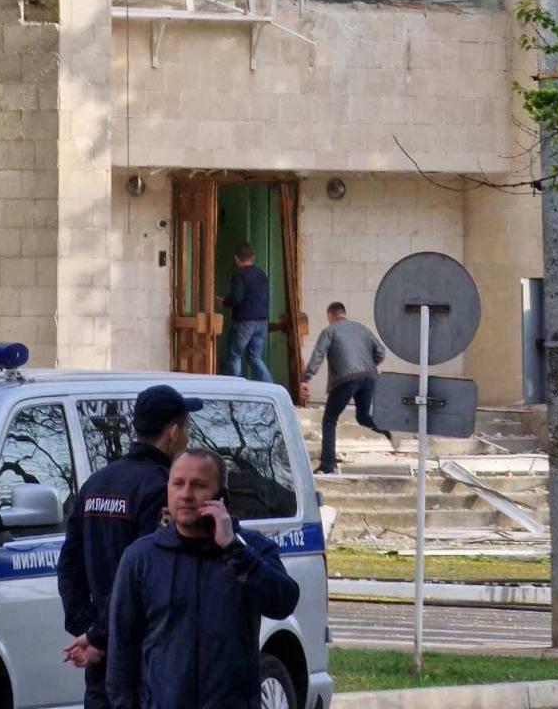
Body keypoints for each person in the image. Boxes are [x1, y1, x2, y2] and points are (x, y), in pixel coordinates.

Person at [106, 449, 299, 709]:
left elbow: (284, 602)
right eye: (178, 484)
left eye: (198, 485)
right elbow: (121, 650)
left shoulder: (250, 549)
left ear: (222, 497)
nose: (186, 494)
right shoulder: (140, 557)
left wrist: (233, 550)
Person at [57, 385, 203, 709]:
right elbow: (145, 575)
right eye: (187, 428)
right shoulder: (162, 489)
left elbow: (69, 565)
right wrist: (100, 636)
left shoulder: (96, 483)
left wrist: (89, 629)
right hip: (145, 656)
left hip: (103, 654)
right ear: (173, 433)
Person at [300, 302, 391, 475]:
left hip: (345, 379)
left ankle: (328, 466)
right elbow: (381, 351)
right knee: (363, 416)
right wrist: (369, 365)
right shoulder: (362, 329)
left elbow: (318, 354)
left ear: (330, 315)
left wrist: (306, 378)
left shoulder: (330, 331)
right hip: (369, 376)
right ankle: (386, 428)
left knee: (329, 419)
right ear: (344, 313)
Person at [222, 240, 273, 382]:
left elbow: (237, 297)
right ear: (253, 257)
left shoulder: (239, 275)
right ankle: (270, 386)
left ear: (236, 259)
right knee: (254, 356)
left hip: (245, 322)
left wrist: (224, 302)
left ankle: (236, 389)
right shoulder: (262, 275)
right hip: (262, 322)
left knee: (234, 355)